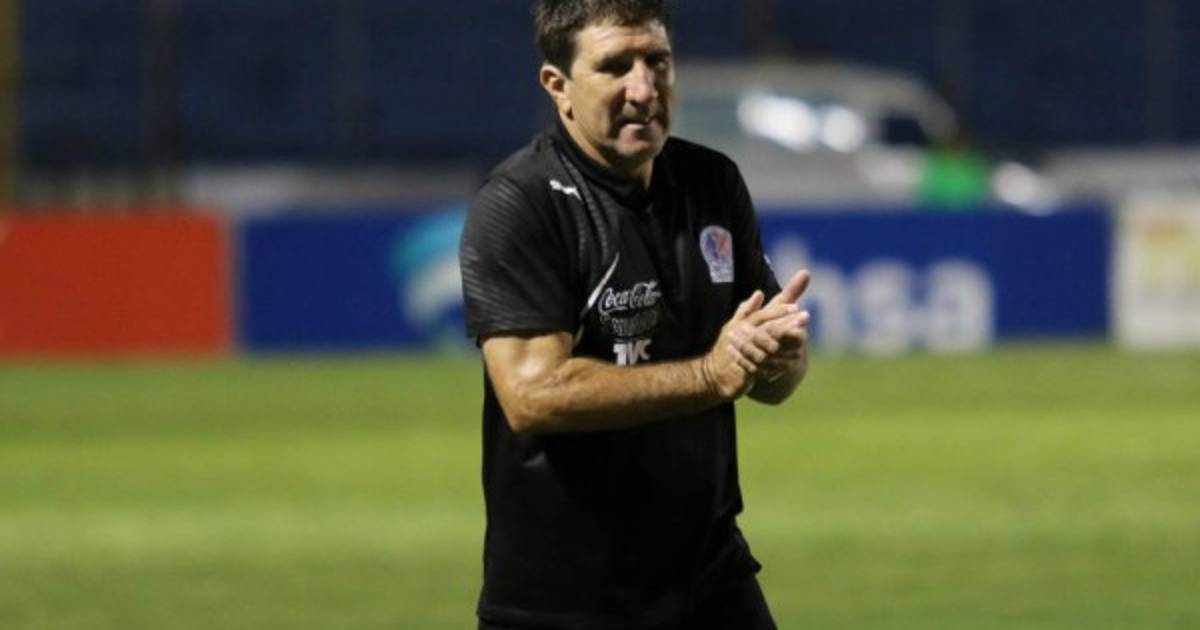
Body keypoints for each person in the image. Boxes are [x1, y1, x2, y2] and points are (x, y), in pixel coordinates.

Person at [459, 1, 812, 628]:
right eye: (615, 66)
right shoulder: (521, 204)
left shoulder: (711, 182)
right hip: (563, 601)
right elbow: (532, 394)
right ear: (558, 86)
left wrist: (779, 359)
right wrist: (708, 375)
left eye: (657, 61)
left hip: (710, 580)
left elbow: (768, 381)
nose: (644, 89)